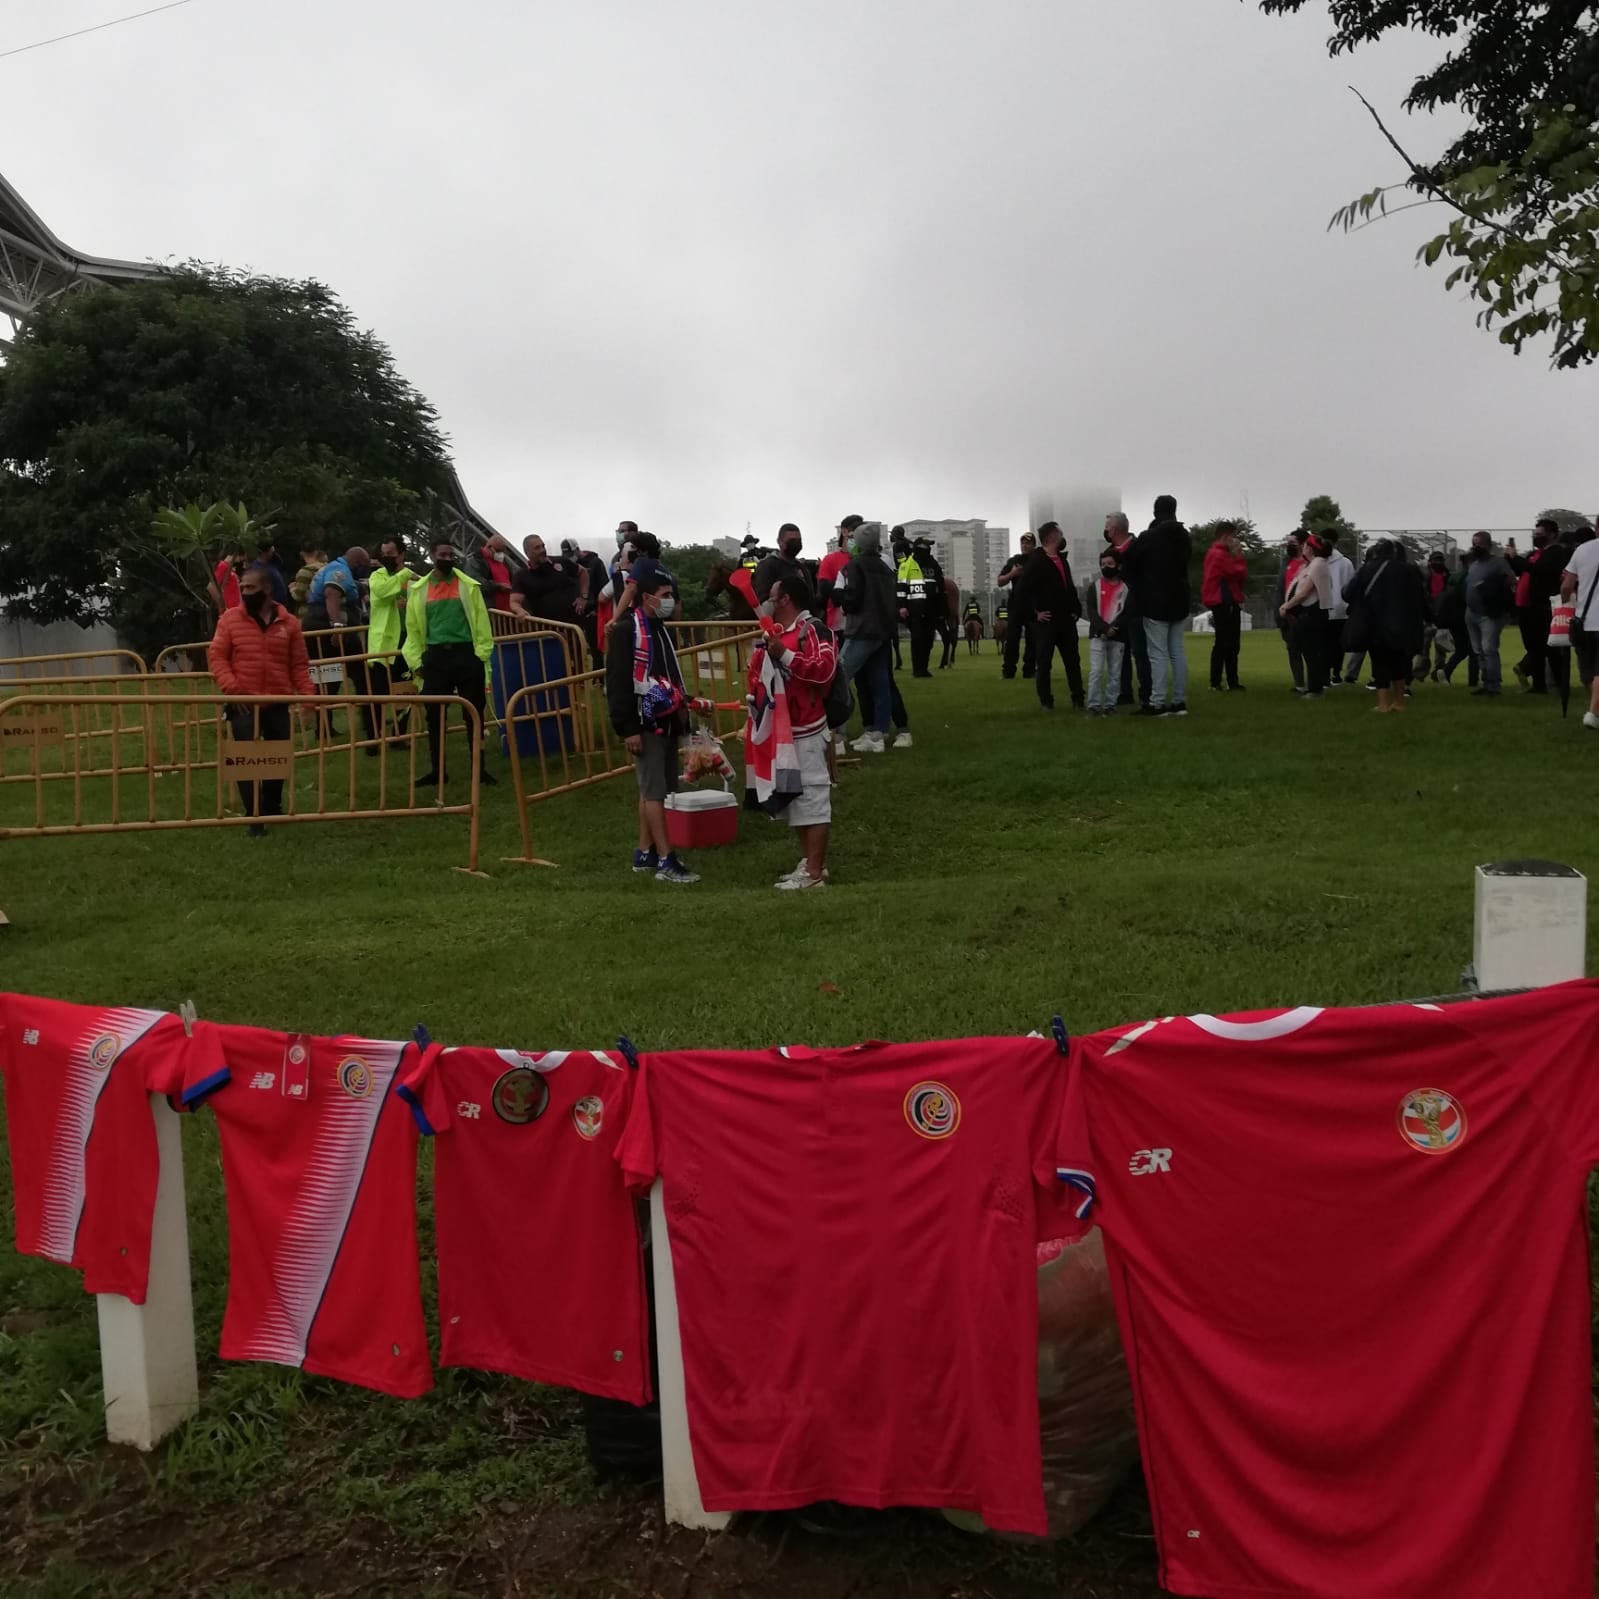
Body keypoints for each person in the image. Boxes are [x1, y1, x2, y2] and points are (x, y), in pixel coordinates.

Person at [606, 561, 700, 884]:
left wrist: (686, 704)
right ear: (647, 597)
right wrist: (628, 728)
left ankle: (645, 851)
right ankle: (665, 859)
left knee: (654, 789)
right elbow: (618, 683)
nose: (670, 600)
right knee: (654, 791)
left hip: (666, 719)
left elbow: (667, 674)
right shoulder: (626, 631)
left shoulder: (659, 629)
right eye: (665, 594)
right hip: (644, 722)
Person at [207, 563, 315, 837]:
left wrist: (308, 699)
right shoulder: (230, 620)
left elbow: (299, 665)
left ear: (267, 589)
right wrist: (232, 689)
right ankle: (254, 817)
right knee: (244, 762)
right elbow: (217, 656)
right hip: (243, 701)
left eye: (250, 587)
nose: (245, 592)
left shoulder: (289, 623)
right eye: (242, 587)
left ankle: (272, 807)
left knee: (277, 758)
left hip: (277, 700)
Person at [756, 575, 837, 890]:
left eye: (772, 595)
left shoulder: (814, 629)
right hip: (786, 731)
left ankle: (813, 874)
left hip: (808, 729)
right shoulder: (781, 633)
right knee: (795, 800)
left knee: (813, 797)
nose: (768, 601)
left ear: (786, 599)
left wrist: (784, 655)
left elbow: (825, 670)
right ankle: (811, 864)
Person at [402, 536, 496, 788]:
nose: (447, 559)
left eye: (450, 555)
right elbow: (413, 629)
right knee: (435, 716)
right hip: (435, 656)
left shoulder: (468, 586)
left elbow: (481, 622)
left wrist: (481, 654)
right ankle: (437, 771)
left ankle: (480, 770)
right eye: (442, 555)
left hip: (466, 654)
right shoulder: (419, 590)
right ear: (432, 556)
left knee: (474, 714)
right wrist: (416, 662)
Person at [834, 519, 899, 754]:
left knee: (838, 679)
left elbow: (852, 598)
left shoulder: (855, 566)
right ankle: (878, 734)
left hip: (861, 630)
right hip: (882, 631)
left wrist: (844, 603)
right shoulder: (885, 567)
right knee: (880, 683)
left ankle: (837, 736)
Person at [1123, 495, 1192, 717]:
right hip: (1180, 599)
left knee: (1158, 653)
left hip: (1155, 601)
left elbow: (1130, 562)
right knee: (1177, 652)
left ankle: (1157, 702)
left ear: (1155, 512)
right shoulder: (1184, 536)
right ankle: (1179, 701)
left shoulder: (1149, 537)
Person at [1344, 540, 1427, 714]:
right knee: (1400, 662)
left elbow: (1347, 593)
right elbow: (1421, 597)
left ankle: (1382, 704)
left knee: (1380, 662)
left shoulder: (1367, 569)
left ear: (1376, 552)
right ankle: (1399, 702)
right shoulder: (1407, 570)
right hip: (1402, 623)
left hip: (1374, 623)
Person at [1018, 522, 1084, 712]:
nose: (1062, 537)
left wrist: (1076, 610)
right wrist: (1035, 614)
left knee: (1073, 661)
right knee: (1044, 662)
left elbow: (1069, 588)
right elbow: (1021, 591)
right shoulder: (1036, 562)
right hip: (1046, 623)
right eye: (1060, 533)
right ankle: (1046, 701)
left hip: (1066, 621)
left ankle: (1078, 699)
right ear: (1051, 536)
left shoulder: (1062, 560)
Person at [364, 535, 415, 747]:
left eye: (390, 554)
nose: (386, 557)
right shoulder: (377, 576)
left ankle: (398, 736)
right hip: (383, 646)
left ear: (401, 555)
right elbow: (383, 592)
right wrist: (404, 574)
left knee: (405, 690)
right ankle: (373, 739)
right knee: (377, 695)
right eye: (383, 554)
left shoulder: (412, 580)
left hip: (407, 642)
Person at [1509, 518, 1568, 694]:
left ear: (1552, 535)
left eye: (1540, 534)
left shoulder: (1556, 554)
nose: (1536, 537)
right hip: (1528, 607)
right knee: (1533, 648)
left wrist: (1516, 558)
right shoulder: (1535, 554)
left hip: (1544, 607)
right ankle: (1538, 684)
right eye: (1535, 534)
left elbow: (1539, 570)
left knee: (1550, 648)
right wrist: (1511, 559)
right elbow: (1523, 569)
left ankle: (1558, 684)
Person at [1279, 531, 1334, 699]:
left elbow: (1304, 592)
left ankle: (1315, 689)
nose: (1302, 547)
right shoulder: (1311, 564)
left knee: (1312, 652)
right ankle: (1314, 686)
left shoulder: (1317, 564)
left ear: (1310, 548)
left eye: (1305, 545)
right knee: (1307, 650)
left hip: (1313, 612)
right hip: (1307, 613)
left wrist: (1287, 605)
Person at [1105, 513, 1151, 707]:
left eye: (1108, 526)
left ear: (1115, 529)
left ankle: (1146, 694)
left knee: (1140, 653)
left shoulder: (1139, 549)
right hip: (1116, 613)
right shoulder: (1108, 553)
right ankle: (1124, 693)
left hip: (1137, 610)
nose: (1106, 530)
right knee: (1119, 654)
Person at [1463, 529, 1516, 696]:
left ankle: (1493, 685)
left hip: (1489, 614)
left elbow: (1511, 580)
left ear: (1489, 545)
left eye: (1479, 544)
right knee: (1478, 650)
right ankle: (1485, 682)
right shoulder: (1474, 564)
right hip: (1471, 612)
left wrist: (1492, 585)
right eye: (1474, 544)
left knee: (1489, 649)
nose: (1476, 547)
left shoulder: (1498, 563)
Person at [1201, 522, 1248, 692]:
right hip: (1225, 601)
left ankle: (1220, 681)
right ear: (1226, 535)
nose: (1235, 540)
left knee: (1223, 641)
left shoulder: (1213, 553)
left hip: (1220, 601)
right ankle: (1227, 681)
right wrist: (1239, 555)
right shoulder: (1220, 554)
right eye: (1233, 536)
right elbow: (1238, 572)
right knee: (1228, 643)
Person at [1561, 530, 1599, 729]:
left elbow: (1566, 586)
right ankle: (1593, 713)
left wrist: (1565, 602)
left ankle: (1594, 711)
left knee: (1587, 672)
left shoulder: (1582, 550)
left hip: (1582, 620)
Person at [1084, 548, 1129, 716]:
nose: (1105, 567)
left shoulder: (1125, 589)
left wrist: (1114, 628)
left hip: (1118, 636)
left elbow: (1126, 612)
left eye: (1110, 563)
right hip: (1098, 635)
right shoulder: (1094, 586)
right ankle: (1093, 706)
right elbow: (1091, 611)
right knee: (1096, 671)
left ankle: (1111, 705)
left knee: (1115, 673)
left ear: (1118, 566)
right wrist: (1104, 628)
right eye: (1103, 564)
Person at [511, 535, 586, 626]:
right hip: (546, 628)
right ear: (527, 553)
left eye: (543, 546)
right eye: (537, 548)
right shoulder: (522, 575)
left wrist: (583, 596)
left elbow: (582, 572)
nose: (542, 550)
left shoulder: (560, 561)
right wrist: (519, 610)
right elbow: (514, 601)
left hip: (574, 626)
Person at [996, 532, 1038, 679]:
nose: (1024, 546)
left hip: (1033, 606)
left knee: (1032, 640)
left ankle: (1029, 670)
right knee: (1012, 640)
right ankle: (1008, 671)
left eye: (1028, 543)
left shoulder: (1038, 561)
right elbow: (1000, 581)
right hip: (1016, 605)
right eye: (1022, 543)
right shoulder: (1014, 561)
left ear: (1034, 545)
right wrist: (1013, 573)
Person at [896, 536, 938, 677]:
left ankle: (924, 669)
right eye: (924, 546)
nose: (926, 549)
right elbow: (901, 587)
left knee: (928, 640)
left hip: (931, 609)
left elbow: (940, 585)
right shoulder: (907, 564)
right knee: (918, 639)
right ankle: (917, 670)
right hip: (914, 609)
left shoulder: (933, 564)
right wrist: (902, 606)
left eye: (928, 547)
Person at [561, 539, 608, 665]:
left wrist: (596, 608)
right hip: (575, 612)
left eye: (571, 554)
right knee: (575, 646)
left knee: (595, 647)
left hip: (591, 611)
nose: (570, 558)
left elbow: (603, 587)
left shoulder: (595, 562)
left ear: (577, 550)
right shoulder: (567, 565)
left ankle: (598, 672)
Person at [1274, 533, 1307, 691]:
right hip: (1287, 613)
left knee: (1310, 650)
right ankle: (1299, 684)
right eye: (1288, 542)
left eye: (1292, 542)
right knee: (1293, 649)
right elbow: (1280, 589)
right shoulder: (1286, 563)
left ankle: (1317, 683)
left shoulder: (1310, 563)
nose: (1289, 545)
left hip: (1304, 612)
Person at [1418, 551, 1454, 680]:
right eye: (1435, 560)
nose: (1437, 563)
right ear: (1430, 562)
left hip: (1442, 617)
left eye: (1440, 560)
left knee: (1441, 649)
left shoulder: (1448, 577)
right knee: (1424, 648)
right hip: (1428, 616)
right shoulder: (1425, 577)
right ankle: (1420, 673)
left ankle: (1437, 673)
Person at [1324, 535, 1355, 684]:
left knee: (1327, 643)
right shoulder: (1346, 562)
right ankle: (1335, 673)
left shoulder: (1320, 561)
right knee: (1337, 644)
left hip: (1327, 607)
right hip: (1341, 608)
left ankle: (1328, 673)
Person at [753, 524, 805, 610]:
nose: (796, 543)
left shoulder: (801, 567)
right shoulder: (767, 566)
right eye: (792, 540)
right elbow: (762, 601)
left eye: (799, 540)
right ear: (779, 541)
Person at [816, 520, 856, 634]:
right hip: (837, 624)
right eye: (853, 536)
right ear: (844, 532)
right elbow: (824, 589)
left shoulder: (865, 561)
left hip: (863, 623)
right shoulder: (830, 559)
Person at [290, 543, 327, 619]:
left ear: (302, 554)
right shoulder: (326, 567)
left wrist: (292, 588)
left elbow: (298, 597)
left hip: (308, 613)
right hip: (325, 609)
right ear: (316, 552)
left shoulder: (305, 571)